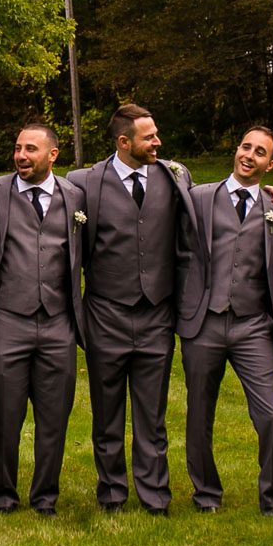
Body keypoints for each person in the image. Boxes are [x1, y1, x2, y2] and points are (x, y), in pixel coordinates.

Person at [63, 104, 195, 515]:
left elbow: (207, 210)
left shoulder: (176, 176)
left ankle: (155, 496)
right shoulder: (83, 182)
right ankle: (112, 494)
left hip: (157, 314)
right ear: (124, 142)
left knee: (152, 414)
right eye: (149, 137)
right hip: (105, 314)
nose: (158, 142)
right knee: (107, 414)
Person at [178, 126, 273, 517]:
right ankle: (206, 493)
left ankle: (271, 499)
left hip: (253, 325)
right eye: (245, 147)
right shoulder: (200, 197)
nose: (249, 155)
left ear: (270, 165)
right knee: (199, 414)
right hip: (204, 321)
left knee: (272, 414)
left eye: (259, 152)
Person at [0, 123, 85, 517]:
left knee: (54, 417)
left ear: (53, 155)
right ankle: (2, 495)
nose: (20, 156)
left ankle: (45, 498)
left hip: (59, 322)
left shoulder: (75, 196)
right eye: (18, 148)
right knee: (4, 416)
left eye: (30, 149)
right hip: (7, 319)